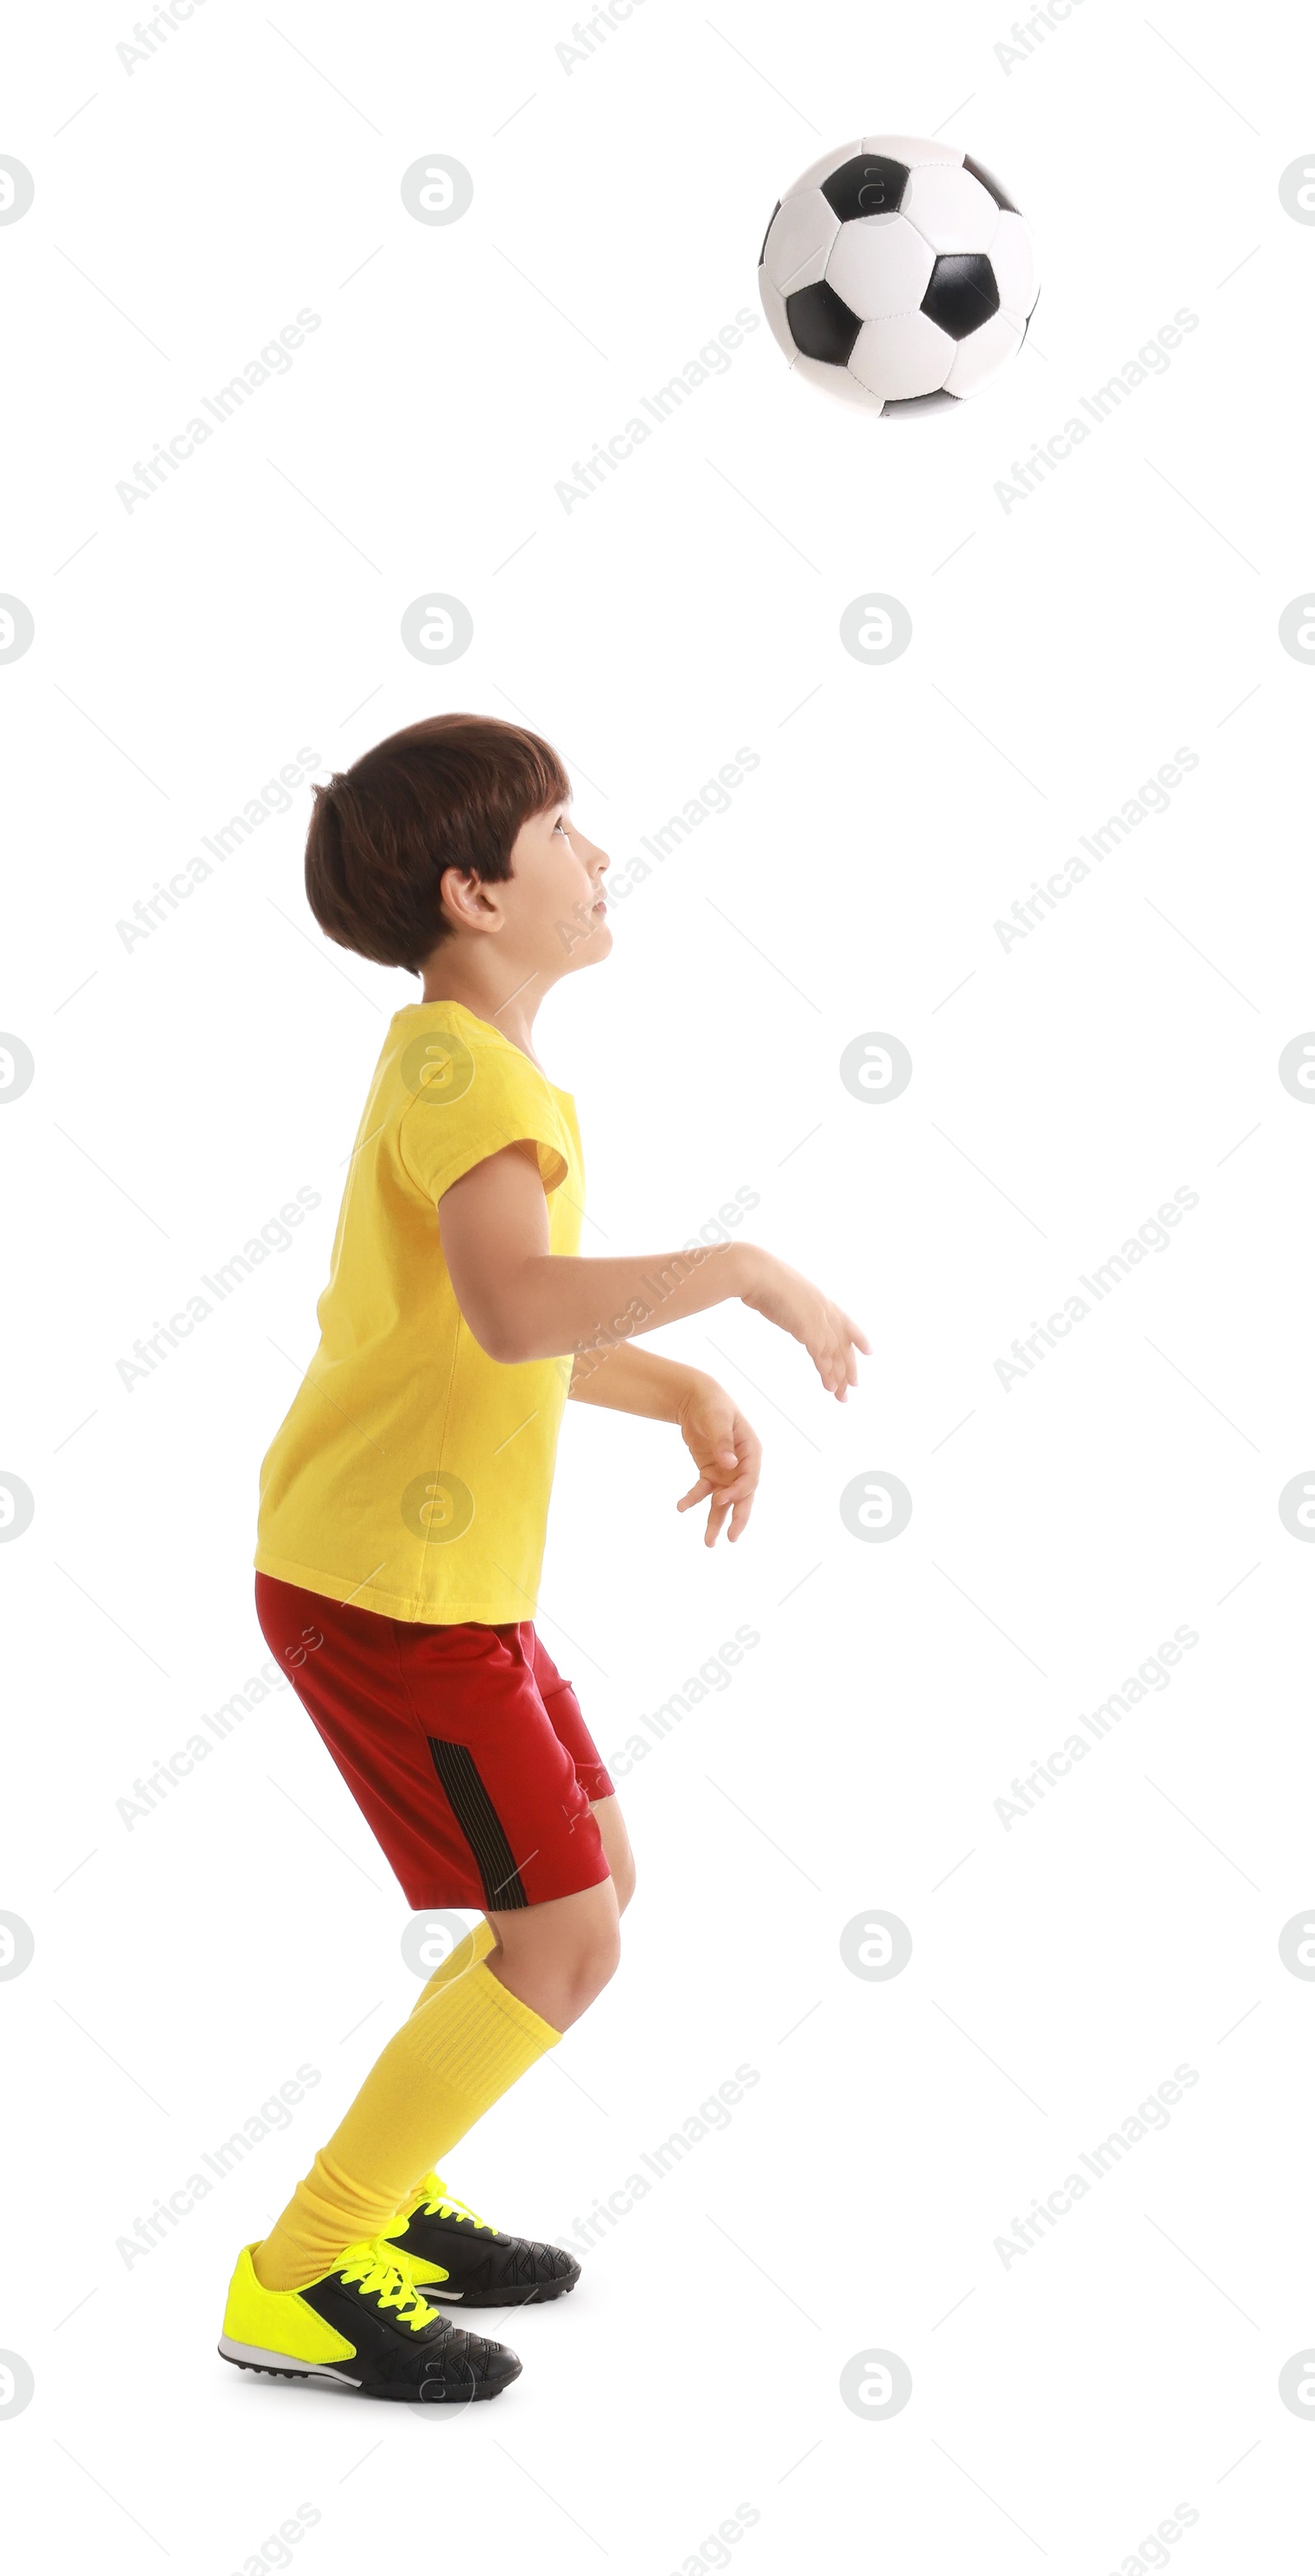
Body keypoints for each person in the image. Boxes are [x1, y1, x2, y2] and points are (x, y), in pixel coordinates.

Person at [218, 711, 868, 2401]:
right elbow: (516, 1303)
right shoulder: (461, 1071)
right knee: (565, 1937)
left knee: (581, 1878)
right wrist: (734, 1268)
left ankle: (390, 2193)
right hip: (385, 1595)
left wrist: (676, 1389)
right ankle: (299, 2272)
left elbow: (504, 1330)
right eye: (563, 831)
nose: (595, 855)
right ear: (473, 890)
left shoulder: (463, 1065)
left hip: (433, 1588)